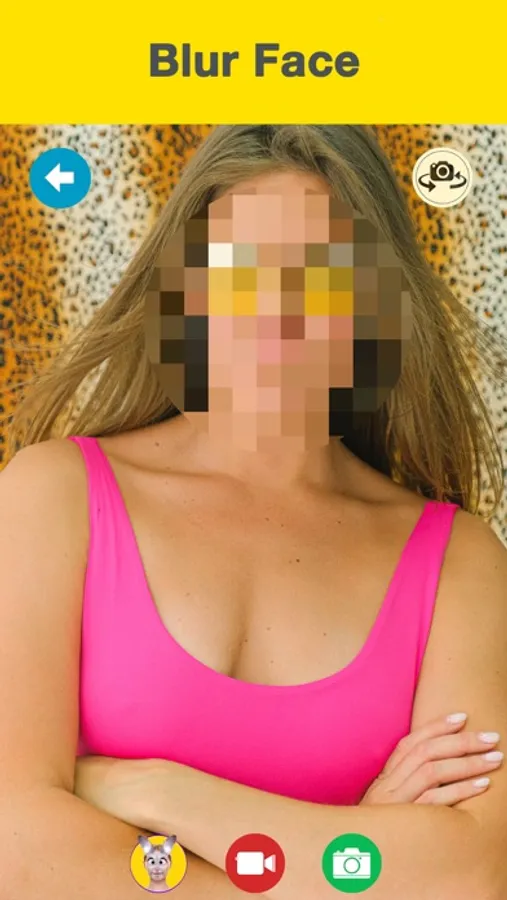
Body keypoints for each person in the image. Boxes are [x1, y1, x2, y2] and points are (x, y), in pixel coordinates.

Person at [1, 125, 506, 899]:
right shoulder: (54, 496)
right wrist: (348, 863)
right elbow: (18, 848)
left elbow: (469, 873)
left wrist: (159, 791)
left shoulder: (459, 563)